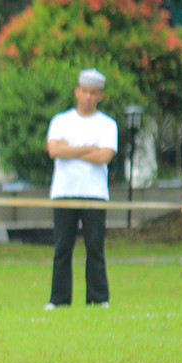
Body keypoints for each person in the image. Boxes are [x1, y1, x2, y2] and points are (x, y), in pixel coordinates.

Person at [44, 68, 118, 310]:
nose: (88, 96)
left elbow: (104, 155)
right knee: (62, 247)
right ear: (77, 92)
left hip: (94, 194)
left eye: (93, 92)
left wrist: (71, 150)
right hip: (64, 192)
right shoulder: (61, 121)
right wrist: (87, 148)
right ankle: (59, 299)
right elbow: (55, 151)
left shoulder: (107, 124)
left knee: (94, 247)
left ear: (100, 96)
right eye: (84, 91)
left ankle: (98, 298)